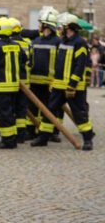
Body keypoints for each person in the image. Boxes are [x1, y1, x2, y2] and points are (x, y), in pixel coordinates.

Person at [31, 13, 94, 151]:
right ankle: (43, 137)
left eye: (61, 27)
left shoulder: (80, 43)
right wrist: (54, 82)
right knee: (50, 111)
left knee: (79, 113)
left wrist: (73, 84)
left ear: (69, 27)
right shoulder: (63, 42)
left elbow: (80, 65)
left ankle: (88, 139)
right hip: (59, 85)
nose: (59, 29)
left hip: (74, 87)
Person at [0, 17, 26, 149]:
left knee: (3, 114)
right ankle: (12, 138)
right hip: (14, 86)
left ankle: (8, 141)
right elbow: (25, 59)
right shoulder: (16, 45)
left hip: (1, 86)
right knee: (10, 112)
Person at [25, 9, 61, 141]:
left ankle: (48, 133)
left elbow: (60, 63)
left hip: (49, 82)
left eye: (40, 23)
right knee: (32, 107)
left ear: (46, 25)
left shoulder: (57, 42)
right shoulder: (36, 40)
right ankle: (31, 131)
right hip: (34, 80)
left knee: (48, 109)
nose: (38, 26)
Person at [9, 17, 32, 143]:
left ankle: (11, 134)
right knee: (22, 109)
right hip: (25, 80)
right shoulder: (27, 43)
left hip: (12, 80)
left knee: (11, 107)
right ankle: (21, 134)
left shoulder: (10, 44)